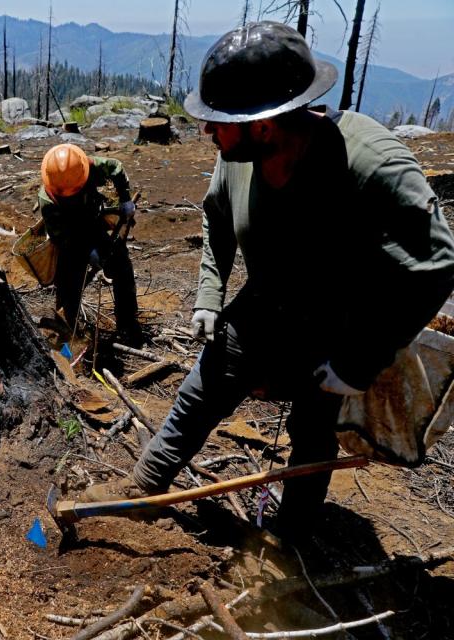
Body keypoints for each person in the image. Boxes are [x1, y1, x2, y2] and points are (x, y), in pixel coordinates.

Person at [80, 21, 454, 539]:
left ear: (264, 125)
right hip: (267, 302)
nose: (208, 132)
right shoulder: (236, 159)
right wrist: (210, 294)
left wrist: (357, 362)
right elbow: (215, 216)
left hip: (338, 323)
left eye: (219, 123)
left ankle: (290, 537)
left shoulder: (370, 165)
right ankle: (145, 488)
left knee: (311, 427)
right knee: (203, 386)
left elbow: (434, 264)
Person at [38, 143, 142, 345]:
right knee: (68, 286)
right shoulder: (48, 202)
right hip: (70, 239)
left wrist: (125, 199)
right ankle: (72, 334)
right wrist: (88, 252)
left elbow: (116, 167)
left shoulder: (87, 165)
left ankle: (127, 323)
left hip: (93, 222)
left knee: (121, 265)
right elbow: (62, 238)